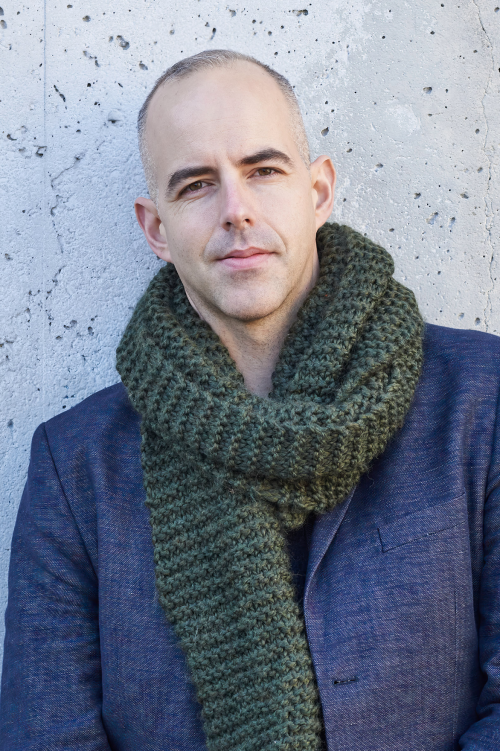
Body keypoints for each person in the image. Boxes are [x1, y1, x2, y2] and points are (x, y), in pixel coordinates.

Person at [1, 49, 499, 751]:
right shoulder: (77, 467)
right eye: (196, 184)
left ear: (319, 190)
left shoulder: (480, 400)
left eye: (263, 170)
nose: (236, 210)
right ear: (155, 228)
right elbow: (47, 735)